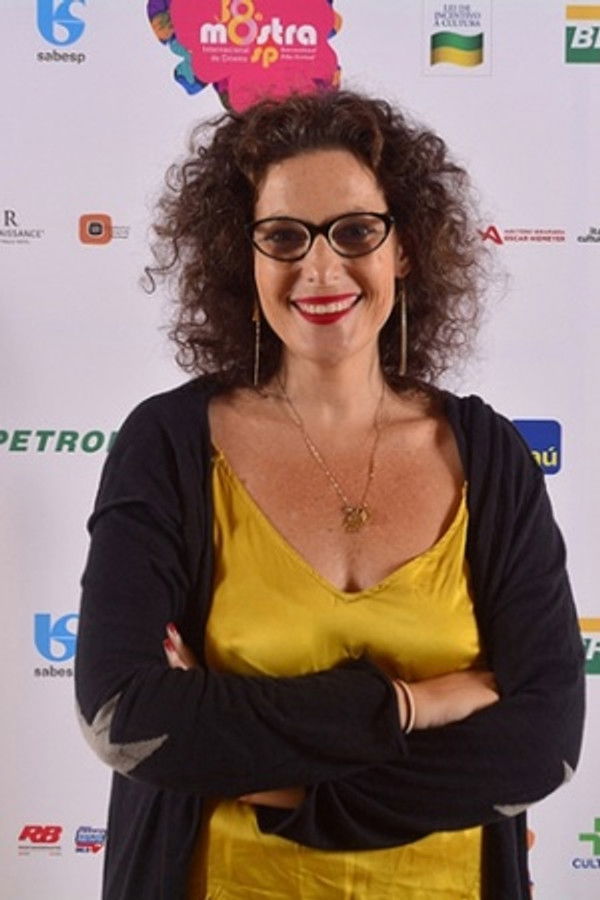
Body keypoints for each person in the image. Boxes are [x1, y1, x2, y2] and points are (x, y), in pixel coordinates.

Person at [75, 91, 584, 900]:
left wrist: (287, 788)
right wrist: (408, 705)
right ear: (243, 255)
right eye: (284, 236)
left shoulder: (489, 456)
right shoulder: (167, 445)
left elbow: (540, 744)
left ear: (404, 249)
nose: (319, 268)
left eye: (355, 232)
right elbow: (128, 717)